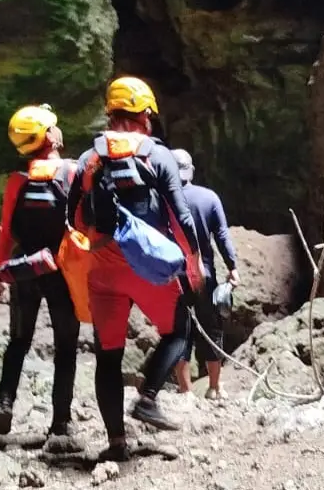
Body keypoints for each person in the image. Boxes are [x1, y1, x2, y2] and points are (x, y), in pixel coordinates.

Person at [65, 76, 203, 461]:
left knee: (108, 356)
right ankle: (148, 397)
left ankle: (116, 444)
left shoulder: (89, 158)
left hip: (103, 269)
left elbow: (73, 215)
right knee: (179, 330)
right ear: (145, 115)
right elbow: (181, 216)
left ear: (111, 114)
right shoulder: (158, 156)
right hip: (148, 267)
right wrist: (192, 261)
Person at [0, 103, 80, 440]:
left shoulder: (17, 181)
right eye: (53, 127)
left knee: (18, 341)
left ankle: (5, 404)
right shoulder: (72, 172)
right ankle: (60, 423)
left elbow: (6, 232)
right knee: (66, 347)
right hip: (61, 271)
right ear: (50, 138)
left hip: (24, 270)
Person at [169, 148, 241, 400]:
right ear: (191, 171)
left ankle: (185, 391)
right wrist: (232, 266)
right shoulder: (209, 198)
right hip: (205, 275)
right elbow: (221, 235)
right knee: (211, 330)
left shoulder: (161, 200)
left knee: (180, 332)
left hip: (174, 277)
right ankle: (214, 387)